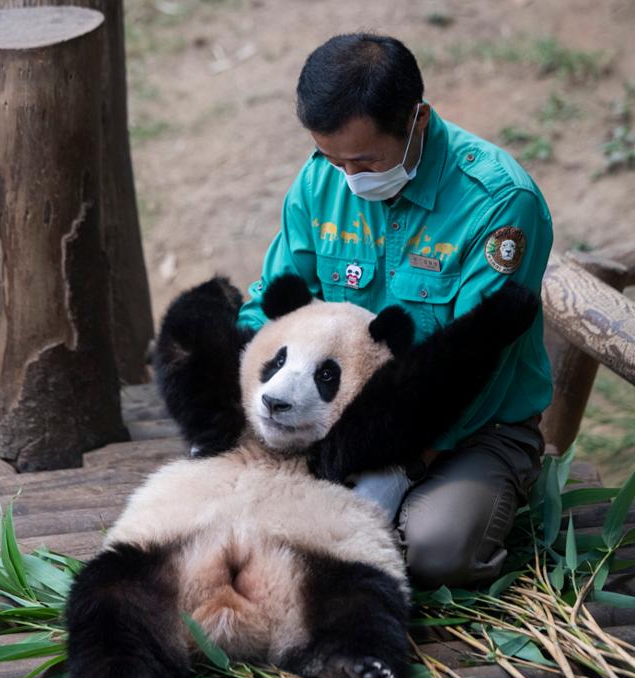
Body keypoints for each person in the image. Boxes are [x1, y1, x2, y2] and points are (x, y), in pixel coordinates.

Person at [237, 32, 553, 588]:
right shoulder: (320, 182)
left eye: (364, 160)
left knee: (435, 549)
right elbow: (273, 308)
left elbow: (470, 366)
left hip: (467, 427)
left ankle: (498, 488)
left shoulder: (499, 203)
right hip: (334, 415)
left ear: (418, 121)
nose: (350, 180)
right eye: (335, 160)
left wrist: (403, 464)